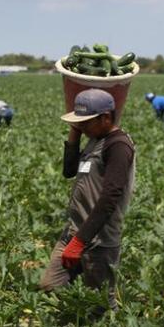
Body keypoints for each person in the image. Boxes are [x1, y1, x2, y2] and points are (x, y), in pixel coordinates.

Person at [40, 89, 135, 312]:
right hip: (73, 232)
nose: (82, 126)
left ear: (106, 118)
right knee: (50, 286)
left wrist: (80, 241)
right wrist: (75, 135)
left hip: (99, 240)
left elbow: (111, 196)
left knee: (100, 302)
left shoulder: (118, 145)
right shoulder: (95, 138)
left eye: (86, 122)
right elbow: (69, 171)